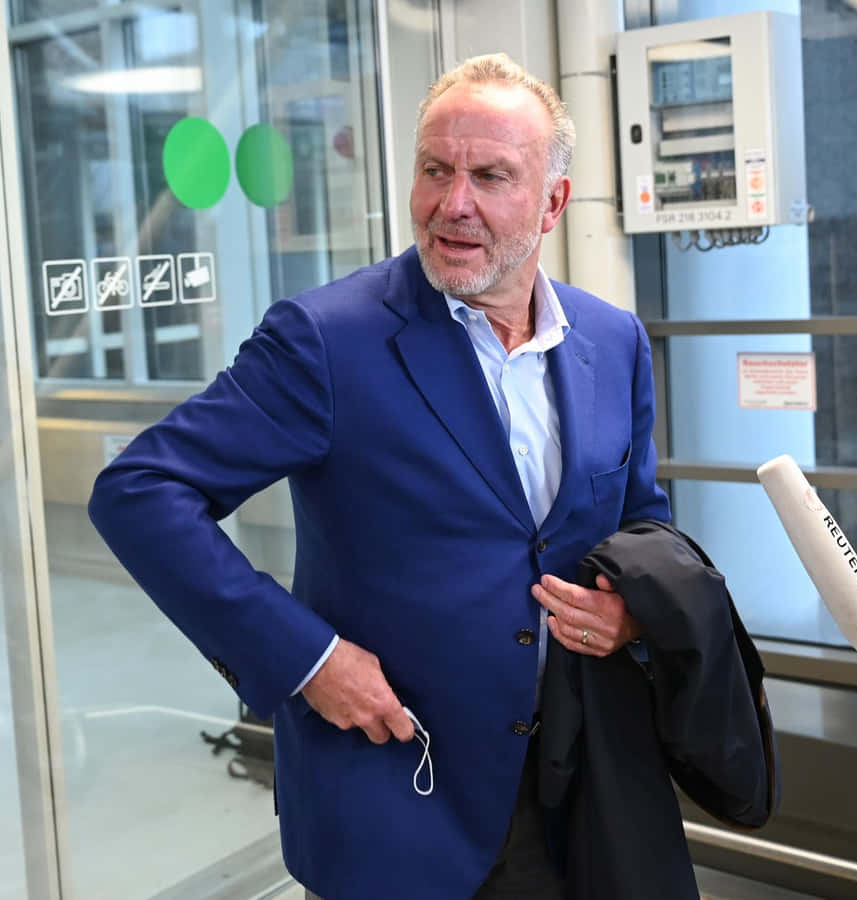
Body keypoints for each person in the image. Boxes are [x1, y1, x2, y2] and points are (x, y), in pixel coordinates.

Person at [89, 53, 671, 899]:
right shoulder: (326, 340)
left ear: (552, 203)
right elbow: (139, 492)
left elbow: (641, 525)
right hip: (401, 794)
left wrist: (632, 612)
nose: (452, 204)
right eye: (435, 170)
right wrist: (307, 658)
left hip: (575, 782)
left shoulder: (612, 340)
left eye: (490, 176)